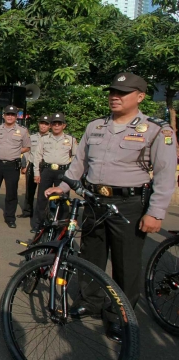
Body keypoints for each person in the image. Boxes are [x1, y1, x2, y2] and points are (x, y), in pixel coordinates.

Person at [45, 73, 177, 343]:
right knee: (90, 255)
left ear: (140, 97)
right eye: (113, 92)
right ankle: (91, 302)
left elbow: (165, 174)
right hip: (94, 202)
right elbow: (80, 162)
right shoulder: (96, 126)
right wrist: (65, 187)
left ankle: (120, 315)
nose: (115, 97)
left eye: (123, 93)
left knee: (125, 264)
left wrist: (156, 212)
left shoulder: (156, 130)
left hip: (129, 204)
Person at [0, 105, 30, 228]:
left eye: (12, 114)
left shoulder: (23, 131)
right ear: (4, 116)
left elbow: (27, 147)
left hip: (12, 166)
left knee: (11, 193)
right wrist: (2, 151)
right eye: (8, 114)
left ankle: (10, 218)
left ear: (16, 117)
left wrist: (14, 152)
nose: (10, 116)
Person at [31, 112, 77, 232]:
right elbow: (37, 156)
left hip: (63, 172)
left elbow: (76, 158)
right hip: (47, 170)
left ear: (64, 125)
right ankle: (39, 224)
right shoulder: (44, 139)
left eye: (59, 124)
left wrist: (72, 175)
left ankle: (61, 226)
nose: (56, 126)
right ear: (50, 126)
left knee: (63, 199)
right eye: (54, 124)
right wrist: (36, 173)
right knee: (42, 198)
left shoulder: (71, 140)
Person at [17, 115, 50, 221]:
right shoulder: (32, 137)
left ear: (49, 126)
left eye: (46, 124)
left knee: (43, 192)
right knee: (29, 190)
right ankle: (27, 211)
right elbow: (27, 152)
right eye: (42, 123)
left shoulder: (51, 138)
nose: (43, 126)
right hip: (31, 165)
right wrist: (24, 165)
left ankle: (42, 214)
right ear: (38, 124)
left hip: (44, 167)